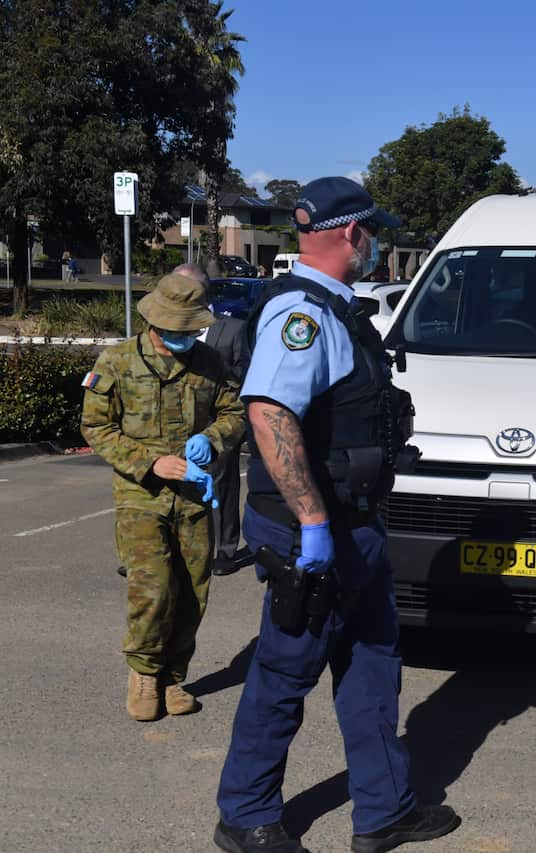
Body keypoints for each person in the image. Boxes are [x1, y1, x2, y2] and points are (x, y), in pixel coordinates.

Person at [214, 177, 459, 853]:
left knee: (374, 660)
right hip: (312, 532)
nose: (377, 240)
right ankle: (245, 812)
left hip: (356, 526)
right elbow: (268, 410)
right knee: (287, 669)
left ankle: (384, 809)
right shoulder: (303, 316)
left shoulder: (337, 309)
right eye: (372, 230)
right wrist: (314, 523)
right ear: (353, 232)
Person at [80, 273, 245, 721]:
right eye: (177, 331)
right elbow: (95, 427)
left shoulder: (209, 362)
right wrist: (148, 463)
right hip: (141, 497)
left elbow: (235, 412)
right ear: (154, 322)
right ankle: (144, 674)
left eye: (191, 331)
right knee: (151, 589)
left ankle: (174, 677)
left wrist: (212, 439)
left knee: (193, 592)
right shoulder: (117, 362)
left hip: (192, 496)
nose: (184, 338)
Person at [175, 262, 252, 576]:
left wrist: (214, 369)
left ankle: (224, 548)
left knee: (221, 484)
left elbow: (247, 374)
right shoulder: (168, 328)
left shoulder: (232, 329)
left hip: (219, 420)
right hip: (176, 420)